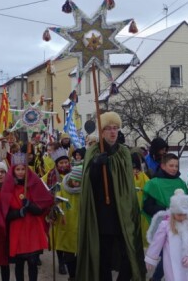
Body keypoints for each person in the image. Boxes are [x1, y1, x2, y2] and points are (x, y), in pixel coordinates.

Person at [77, 111, 146, 281]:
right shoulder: (93, 152)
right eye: (108, 129)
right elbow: (88, 183)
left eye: (115, 128)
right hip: (102, 212)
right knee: (104, 255)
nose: (113, 132)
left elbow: (127, 184)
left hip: (122, 211)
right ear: (101, 132)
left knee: (128, 252)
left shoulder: (124, 153)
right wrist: (95, 165)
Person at [0, 153, 54, 281]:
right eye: (17, 169)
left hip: (33, 229)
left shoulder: (34, 183)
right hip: (17, 230)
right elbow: (4, 213)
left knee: (33, 263)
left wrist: (30, 205)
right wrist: (18, 213)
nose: (20, 172)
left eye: (23, 169)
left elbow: (42, 207)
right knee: (19, 264)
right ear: (13, 170)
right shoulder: (8, 186)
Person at [145, 189, 188, 281]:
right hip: (171, 262)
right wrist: (151, 258)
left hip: (186, 262)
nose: (182, 217)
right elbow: (157, 243)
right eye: (179, 215)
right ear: (173, 213)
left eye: (184, 214)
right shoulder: (165, 225)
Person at [42, 147, 72, 274]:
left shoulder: (74, 174)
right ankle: (61, 262)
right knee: (59, 238)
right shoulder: (50, 175)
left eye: (66, 162)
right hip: (56, 211)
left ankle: (69, 260)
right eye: (61, 163)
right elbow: (41, 185)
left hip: (71, 211)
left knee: (70, 237)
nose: (64, 165)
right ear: (56, 164)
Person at [52, 165, 83, 280]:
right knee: (69, 255)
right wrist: (57, 210)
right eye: (75, 181)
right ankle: (72, 276)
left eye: (80, 182)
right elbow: (57, 200)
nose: (77, 184)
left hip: (79, 226)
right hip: (65, 224)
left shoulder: (84, 190)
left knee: (80, 255)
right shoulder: (61, 187)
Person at [132, 152, 150, 248]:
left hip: (142, 207)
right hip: (131, 207)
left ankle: (144, 246)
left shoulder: (143, 176)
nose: (134, 171)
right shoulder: (126, 177)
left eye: (136, 169)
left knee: (143, 228)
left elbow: (149, 187)